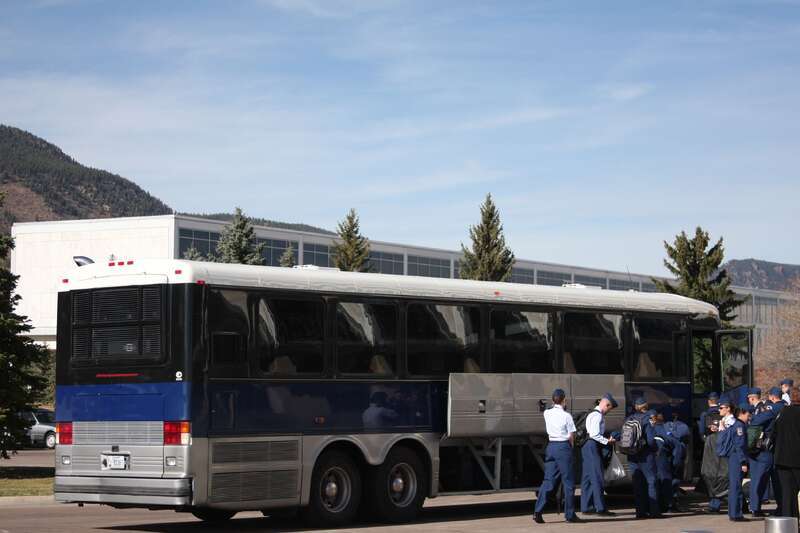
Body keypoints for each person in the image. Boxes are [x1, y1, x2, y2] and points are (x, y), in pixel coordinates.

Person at [533, 388, 582, 524]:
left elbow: (546, 408)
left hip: (551, 447)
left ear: (553, 400)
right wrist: (571, 450)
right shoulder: (567, 416)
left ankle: (537, 511)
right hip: (563, 447)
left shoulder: (547, 413)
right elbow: (571, 436)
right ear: (564, 400)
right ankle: (570, 515)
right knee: (568, 482)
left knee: (548, 481)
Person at [580, 393, 618, 516]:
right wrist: (608, 441)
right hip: (592, 445)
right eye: (609, 408)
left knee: (587, 478)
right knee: (597, 477)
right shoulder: (598, 416)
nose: (608, 411)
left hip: (586, 446)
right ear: (606, 404)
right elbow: (594, 435)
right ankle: (600, 508)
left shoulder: (590, 413)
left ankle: (586, 507)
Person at [748, 387, 782, 517]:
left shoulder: (771, 408)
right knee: (776, 481)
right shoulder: (787, 406)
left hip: (764, 449)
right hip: (775, 449)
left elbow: (756, 421)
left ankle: (755, 508)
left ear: (772, 397)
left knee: (759, 479)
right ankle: (781, 506)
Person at [626, 398, 661, 519]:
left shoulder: (629, 419)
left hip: (632, 456)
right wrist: (655, 450)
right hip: (646, 456)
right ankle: (654, 511)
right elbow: (651, 440)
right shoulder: (647, 419)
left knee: (638, 484)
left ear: (636, 407)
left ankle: (640, 512)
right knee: (651, 481)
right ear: (646, 407)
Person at [716, 404, 750, 522]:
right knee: (736, 487)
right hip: (736, 458)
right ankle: (736, 514)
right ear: (742, 414)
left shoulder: (733, 425)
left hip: (732, 458)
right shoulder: (739, 425)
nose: (748, 417)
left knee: (733, 486)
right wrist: (743, 462)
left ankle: (733, 513)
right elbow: (739, 445)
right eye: (748, 414)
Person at [703, 398, 733, 514]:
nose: (718, 410)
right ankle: (714, 505)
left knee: (726, 479)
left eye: (721, 408)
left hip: (727, 453)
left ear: (728, 408)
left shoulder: (731, 420)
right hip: (719, 452)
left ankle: (738, 506)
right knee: (719, 478)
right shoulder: (723, 420)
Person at [773, 402, 800, 517]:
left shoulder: (782, 412)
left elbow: (774, 433)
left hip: (782, 458)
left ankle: (789, 522)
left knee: (787, 492)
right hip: (797, 458)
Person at [653, 412, 680, 513]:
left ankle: (657, 506)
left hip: (652, 459)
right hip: (663, 459)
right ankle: (668, 505)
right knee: (666, 482)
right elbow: (677, 445)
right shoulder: (665, 430)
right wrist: (675, 462)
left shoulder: (650, 428)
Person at [665, 413, 690, 511]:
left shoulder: (663, 426)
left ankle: (667, 504)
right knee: (675, 479)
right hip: (678, 457)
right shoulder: (683, 426)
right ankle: (673, 504)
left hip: (667, 456)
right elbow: (686, 439)